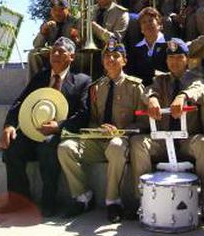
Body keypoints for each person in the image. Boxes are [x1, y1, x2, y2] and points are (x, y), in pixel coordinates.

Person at [129, 38, 204, 223]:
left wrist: (183, 96)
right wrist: (152, 98)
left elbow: (199, 90)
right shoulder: (160, 80)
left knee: (203, 144)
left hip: (187, 140)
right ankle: (143, 200)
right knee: (138, 143)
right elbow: (148, 90)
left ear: (186, 59)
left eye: (179, 57)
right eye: (171, 58)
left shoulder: (195, 77)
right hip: (163, 140)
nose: (174, 62)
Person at [58, 38, 147, 222]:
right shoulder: (96, 87)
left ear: (124, 60)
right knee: (65, 148)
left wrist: (120, 130)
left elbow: (143, 121)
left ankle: (113, 201)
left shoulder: (135, 87)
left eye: (116, 56)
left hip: (122, 142)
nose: (111, 59)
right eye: (107, 56)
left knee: (115, 146)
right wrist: (98, 128)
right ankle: (82, 196)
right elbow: (92, 119)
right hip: (98, 140)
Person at [0, 37, 91, 217]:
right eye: (53, 51)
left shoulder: (82, 81)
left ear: (71, 57)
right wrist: (9, 125)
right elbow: (20, 102)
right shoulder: (40, 77)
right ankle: (19, 201)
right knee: (12, 147)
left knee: (48, 146)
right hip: (32, 130)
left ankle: (48, 201)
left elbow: (84, 114)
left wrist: (59, 126)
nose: (55, 55)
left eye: (61, 51)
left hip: (58, 134)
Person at [29, 0, 80, 74]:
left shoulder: (75, 21)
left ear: (67, 10)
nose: (57, 13)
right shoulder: (48, 23)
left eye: (61, 10)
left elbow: (80, 43)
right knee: (33, 54)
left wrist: (76, 37)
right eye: (54, 10)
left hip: (68, 53)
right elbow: (36, 45)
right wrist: (43, 32)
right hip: (52, 52)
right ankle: (35, 84)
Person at [126, 7, 168, 88]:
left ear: (159, 25)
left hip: (164, 90)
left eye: (151, 21)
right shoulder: (135, 50)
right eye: (144, 22)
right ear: (141, 29)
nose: (147, 24)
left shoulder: (169, 44)